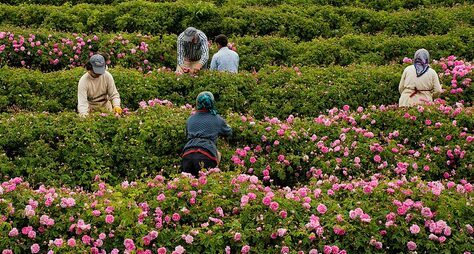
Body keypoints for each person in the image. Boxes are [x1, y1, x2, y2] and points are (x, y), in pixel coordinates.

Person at [181, 91, 232, 176]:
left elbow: (187, 134)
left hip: (187, 154)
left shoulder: (190, 119)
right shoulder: (217, 119)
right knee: (206, 185)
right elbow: (228, 132)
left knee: (188, 185)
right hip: (206, 154)